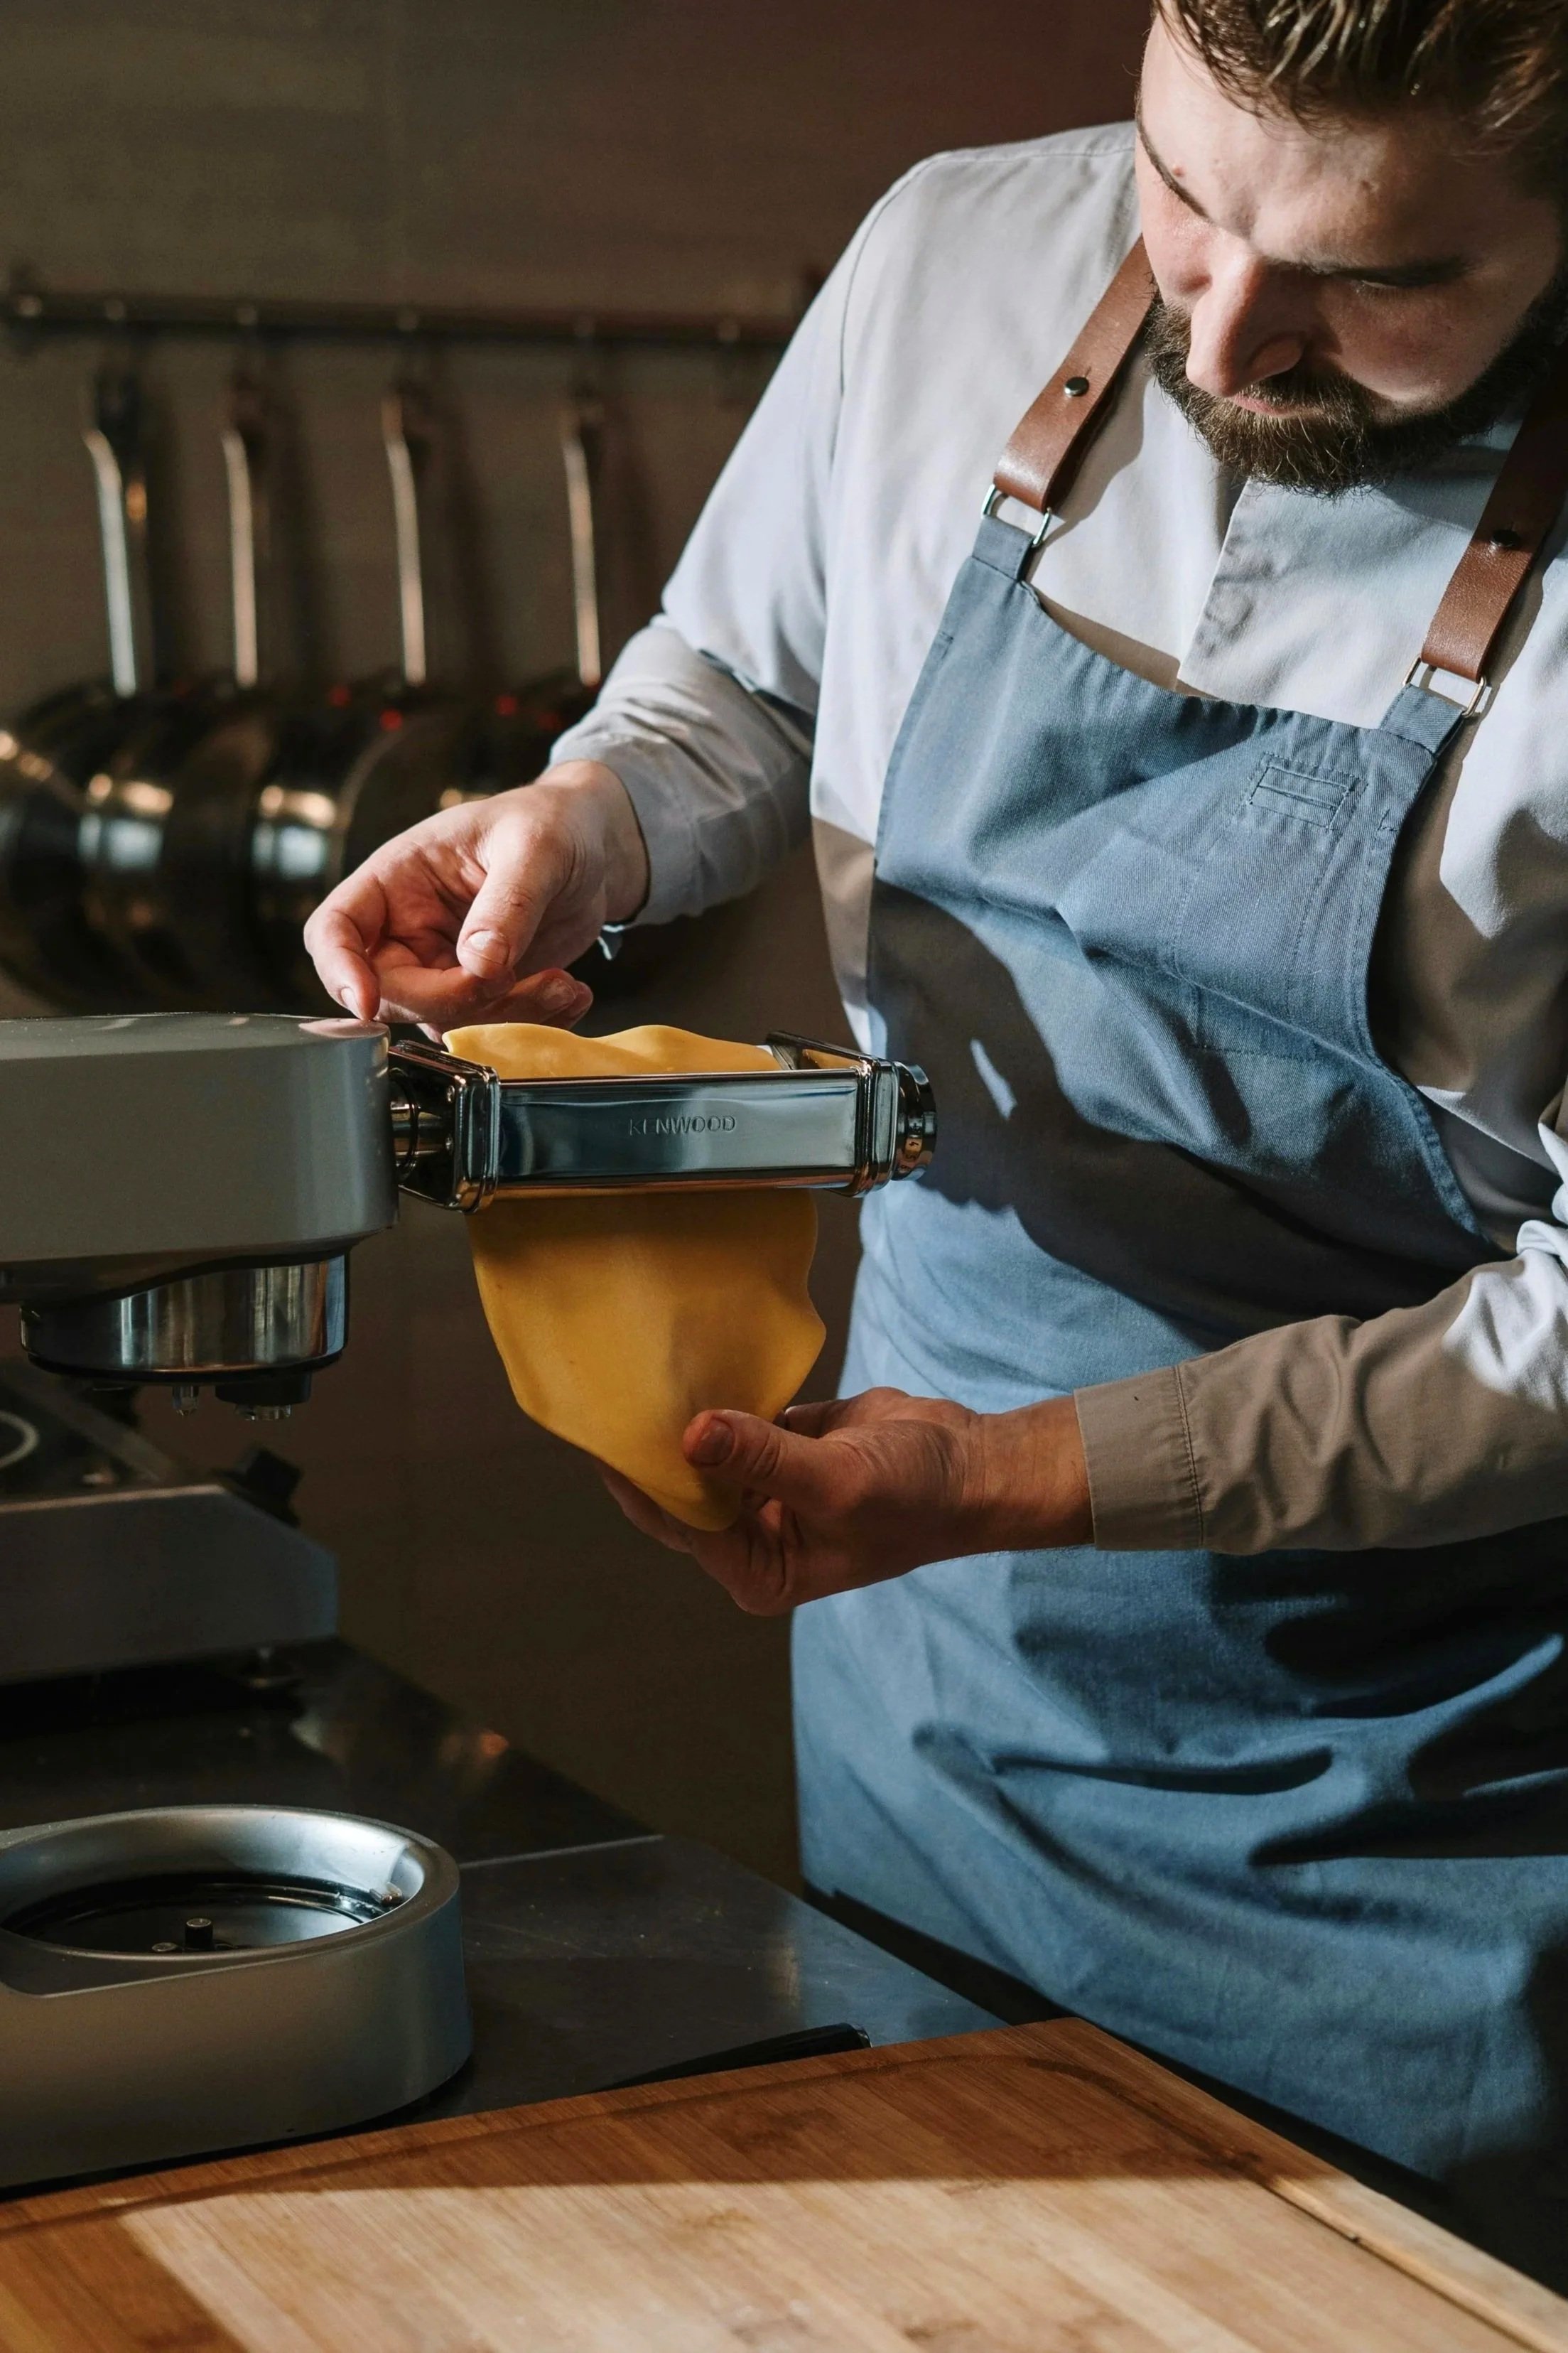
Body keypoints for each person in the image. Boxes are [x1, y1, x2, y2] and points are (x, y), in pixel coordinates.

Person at [309, 0, 1568, 2280]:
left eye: (1383, 284)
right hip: (935, 1692)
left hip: (1425, 1809)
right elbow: (742, 681)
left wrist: (992, 1475)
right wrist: (590, 822)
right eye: (1180, 190)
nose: (1229, 324)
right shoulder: (956, 256)